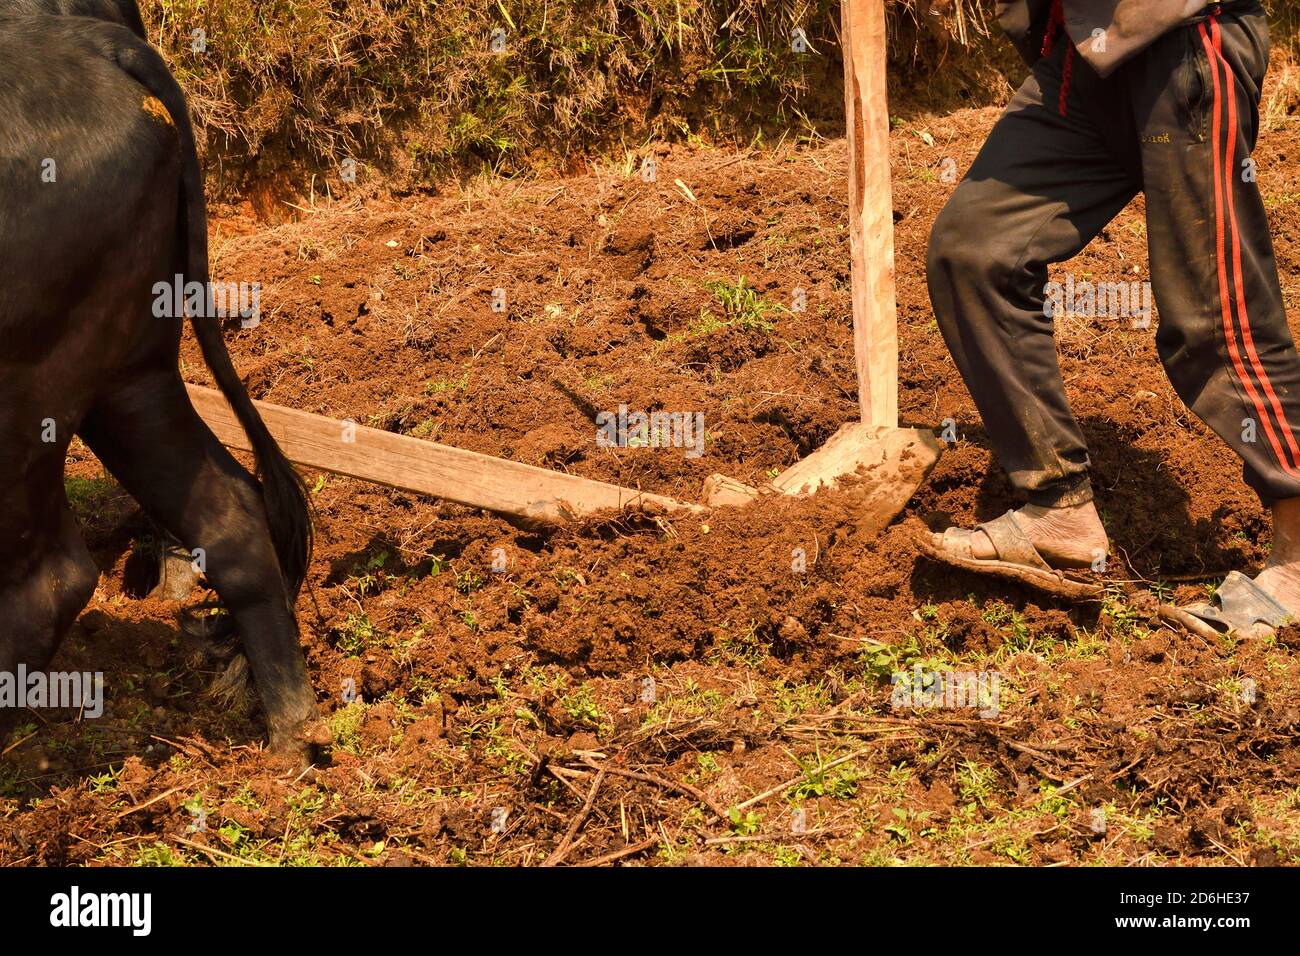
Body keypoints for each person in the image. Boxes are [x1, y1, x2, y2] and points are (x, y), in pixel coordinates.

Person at [924, 0, 1300, 634]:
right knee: (975, 252)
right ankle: (1059, 509)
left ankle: (1296, 564)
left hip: (1181, 42)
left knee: (1214, 320)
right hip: (1081, 52)